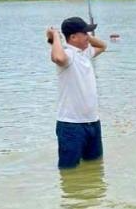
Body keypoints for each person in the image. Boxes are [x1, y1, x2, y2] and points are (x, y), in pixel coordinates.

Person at [46, 17, 107, 169]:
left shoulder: (84, 53)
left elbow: (103, 46)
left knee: (94, 166)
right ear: (72, 37)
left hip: (93, 122)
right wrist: (55, 36)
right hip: (71, 125)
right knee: (69, 170)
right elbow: (58, 57)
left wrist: (86, 37)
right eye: (84, 33)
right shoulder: (68, 55)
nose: (88, 36)